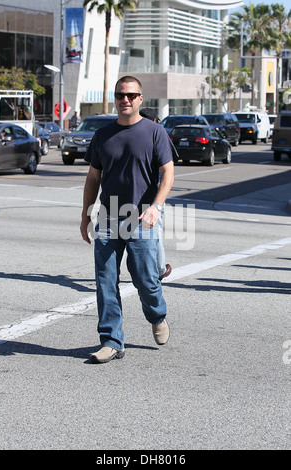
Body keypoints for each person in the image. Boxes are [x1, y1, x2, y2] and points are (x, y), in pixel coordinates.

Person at [80, 76, 174, 364]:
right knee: (105, 280)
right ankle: (111, 341)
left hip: (142, 215)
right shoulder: (102, 135)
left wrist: (156, 206)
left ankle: (156, 314)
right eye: (121, 95)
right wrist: (85, 215)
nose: (126, 100)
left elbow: (168, 173)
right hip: (108, 216)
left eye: (132, 95)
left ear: (140, 99)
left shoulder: (155, 132)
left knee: (146, 279)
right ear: (115, 97)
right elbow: (93, 177)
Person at [139, 107, 172, 281]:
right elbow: (168, 169)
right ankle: (159, 269)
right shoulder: (157, 135)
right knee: (154, 231)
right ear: (154, 121)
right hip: (153, 192)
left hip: (132, 193)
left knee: (129, 234)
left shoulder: (134, 133)